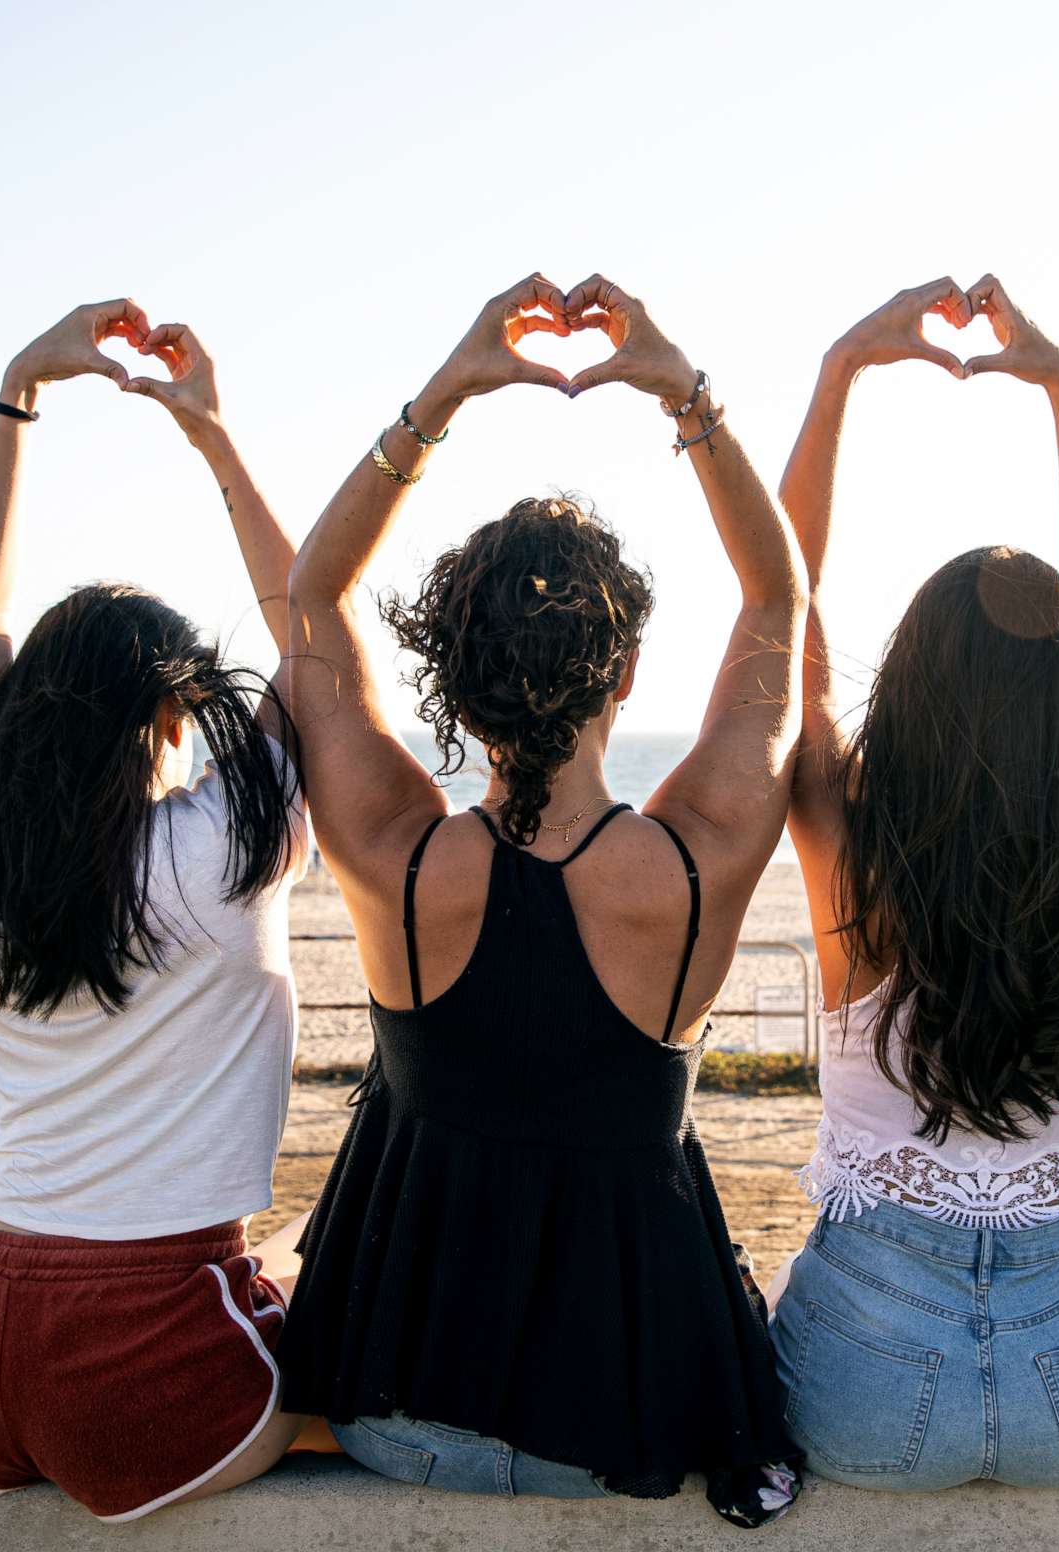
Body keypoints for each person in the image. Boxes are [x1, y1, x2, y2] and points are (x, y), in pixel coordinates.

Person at [270, 274, 805, 1526]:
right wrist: (686, 395)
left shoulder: (396, 856)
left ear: (450, 676)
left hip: (397, 1413)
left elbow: (311, 595)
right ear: (626, 670)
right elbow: (780, 602)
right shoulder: (699, 856)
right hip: (626, 1422)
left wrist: (446, 392)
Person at [0, 301, 313, 1521]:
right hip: (144, 1334)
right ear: (175, 718)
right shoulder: (222, 847)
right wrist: (214, 438)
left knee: (290, 1257)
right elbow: (315, 635)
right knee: (357, 1270)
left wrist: (21, 392)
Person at [765, 278, 1059, 1490]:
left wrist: (840, 371)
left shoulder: (853, 846)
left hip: (868, 1377)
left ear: (916, 688)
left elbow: (780, 618)